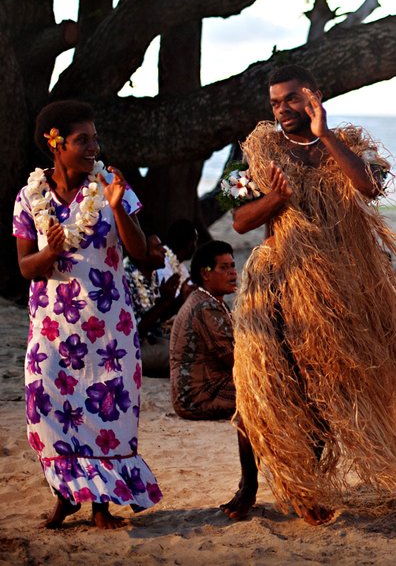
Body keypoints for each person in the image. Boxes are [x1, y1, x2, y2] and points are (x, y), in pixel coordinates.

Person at [222, 65, 396, 524]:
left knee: (320, 389)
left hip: (333, 287)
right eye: (276, 102)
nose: (283, 110)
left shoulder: (349, 146)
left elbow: (370, 187)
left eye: (292, 99)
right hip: (276, 281)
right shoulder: (259, 151)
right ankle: (248, 485)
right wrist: (277, 200)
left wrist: (327, 136)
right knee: (259, 386)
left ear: (314, 97)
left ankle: (306, 485)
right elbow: (239, 220)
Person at [12, 100, 161, 529]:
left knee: (106, 412)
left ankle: (102, 506)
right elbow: (25, 266)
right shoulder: (29, 197)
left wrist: (116, 206)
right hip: (52, 328)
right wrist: (51, 251)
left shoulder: (113, 184)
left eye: (95, 138)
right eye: (83, 140)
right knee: (47, 408)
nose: (94, 146)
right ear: (54, 144)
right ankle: (65, 496)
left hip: (108, 324)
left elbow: (140, 255)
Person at [169, 240, 238, 420]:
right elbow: (232, 359)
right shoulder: (205, 306)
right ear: (205, 274)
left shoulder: (209, 300)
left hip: (207, 388)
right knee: (271, 390)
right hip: (198, 397)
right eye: (223, 268)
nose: (232, 273)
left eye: (232, 266)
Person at [124, 233, 185, 377]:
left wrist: (177, 299)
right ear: (142, 255)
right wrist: (164, 302)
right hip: (133, 348)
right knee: (185, 355)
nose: (164, 251)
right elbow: (136, 331)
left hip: (153, 338)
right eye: (158, 248)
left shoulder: (151, 273)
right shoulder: (126, 278)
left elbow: (156, 320)